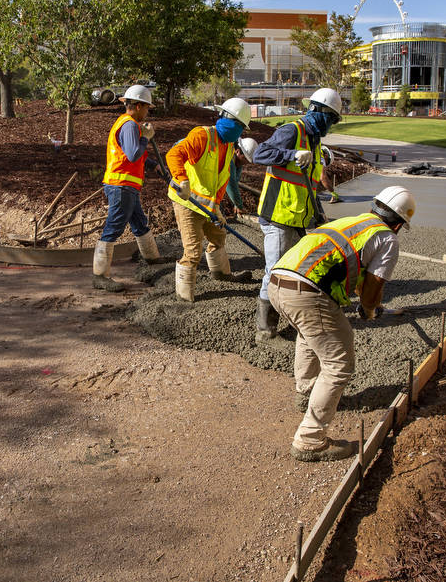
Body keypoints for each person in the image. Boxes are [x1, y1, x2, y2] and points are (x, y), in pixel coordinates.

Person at [268, 186, 416, 462]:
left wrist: (367, 300)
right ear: (398, 224)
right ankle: (310, 441)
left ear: (376, 207)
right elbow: (373, 286)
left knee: (309, 334)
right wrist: (370, 309)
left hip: (279, 282)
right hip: (308, 292)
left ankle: (307, 393)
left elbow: (351, 272)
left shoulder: (351, 222)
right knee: (339, 364)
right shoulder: (386, 238)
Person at [252, 87, 343, 341]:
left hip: (299, 218)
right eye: (332, 119)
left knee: (298, 271)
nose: (332, 125)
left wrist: (319, 213)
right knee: (275, 272)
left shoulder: (315, 143)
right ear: (319, 111)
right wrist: (291, 154)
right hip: (278, 216)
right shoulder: (292, 131)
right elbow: (260, 154)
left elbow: (309, 186)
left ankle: (292, 316)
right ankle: (265, 330)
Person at [165, 98, 252, 301]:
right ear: (226, 119)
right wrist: (182, 179)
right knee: (193, 251)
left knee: (218, 236)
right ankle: (184, 298)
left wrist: (217, 209)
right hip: (186, 202)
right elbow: (174, 154)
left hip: (206, 205)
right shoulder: (202, 135)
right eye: (238, 125)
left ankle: (221, 274)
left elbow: (221, 182)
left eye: (241, 128)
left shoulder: (229, 147)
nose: (238, 131)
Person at [92, 84, 164, 292]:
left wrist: (153, 164)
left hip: (126, 186)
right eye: (147, 107)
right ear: (139, 106)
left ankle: (152, 259)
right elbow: (133, 154)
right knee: (114, 227)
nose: (148, 111)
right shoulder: (130, 125)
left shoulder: (126, 124)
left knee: (140, 223)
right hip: (121, 186)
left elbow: (133, 154)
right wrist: (145, 138)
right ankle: (99, 276)